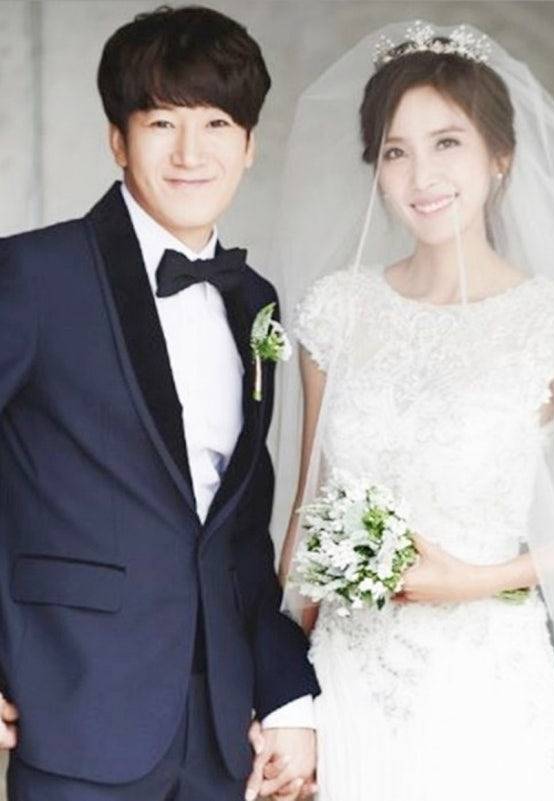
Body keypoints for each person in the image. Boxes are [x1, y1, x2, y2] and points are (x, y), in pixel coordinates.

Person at [276, 20, 554, 801]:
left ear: (501, 156)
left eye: (447, 143)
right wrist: (280, 694)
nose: (421, 175)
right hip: (348, 678)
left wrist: (478, 579)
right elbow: (306, 514)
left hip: (488, 684)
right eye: (396, 151)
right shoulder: (338, 311)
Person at [0, 7, 320, 801]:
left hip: (222, 737)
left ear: (249, 144)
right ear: (118, 139)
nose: (190, 152)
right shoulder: (34, 275)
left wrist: (286, 694)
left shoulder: (255, 301)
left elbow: (238, 534)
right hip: (71, 710)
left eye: (216, 124)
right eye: (162, 123)